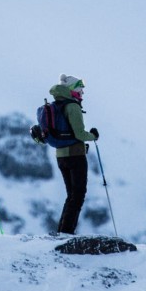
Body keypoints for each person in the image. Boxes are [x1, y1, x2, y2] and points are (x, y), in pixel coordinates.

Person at [49, 74, 99, 235]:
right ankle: (66, 232)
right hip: (75, 155)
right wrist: (93, 136)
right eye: (80, 90)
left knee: (71, 195)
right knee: (78, 195)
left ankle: (62, 231)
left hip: (61, 156)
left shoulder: (56, 105)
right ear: (72, 90)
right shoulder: (73, 106)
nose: (82, 93)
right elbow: (79, 134)